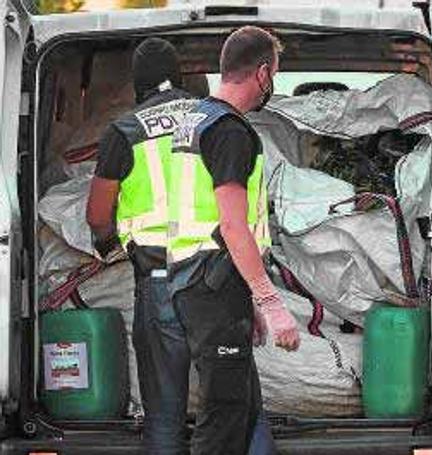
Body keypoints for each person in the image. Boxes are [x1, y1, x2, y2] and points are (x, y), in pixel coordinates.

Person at [168, 26, 300, 455]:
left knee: (241, 410)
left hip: (197, 280)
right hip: (213, 285)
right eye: (275, 72)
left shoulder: (194, 121)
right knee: (224, 420)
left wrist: (245, 298)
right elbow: (232, 225)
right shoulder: (229, 131)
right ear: (263, 73)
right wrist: (269, 300)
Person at [86, 37, 198, 454]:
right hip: (220, 278)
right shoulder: (217, 120)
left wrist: (109, 246)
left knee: (165, 411)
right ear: (181, 77)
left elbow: (98, 214)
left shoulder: (125, 130)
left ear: (138, 84)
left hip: (160, 279)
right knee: (238, 406)